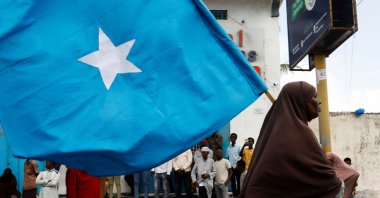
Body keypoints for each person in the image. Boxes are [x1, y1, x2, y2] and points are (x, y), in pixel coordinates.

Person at [239, 81, 343, 198]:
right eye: (314, 96)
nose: (319, 101)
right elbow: (328, 180)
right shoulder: (300, 134)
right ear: (300, 101)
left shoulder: (278, 132)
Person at [226, 133, 242, 197]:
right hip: (231, 167)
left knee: (238, 181)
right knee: (232, 181)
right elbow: (227, 157)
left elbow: (241, 155)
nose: (232, 138)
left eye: (233, 137)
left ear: (236, 138)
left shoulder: (238, 147)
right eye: (231, 137)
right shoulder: (228, 148)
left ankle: (238, 194)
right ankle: (234, 194)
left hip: (237, 167)